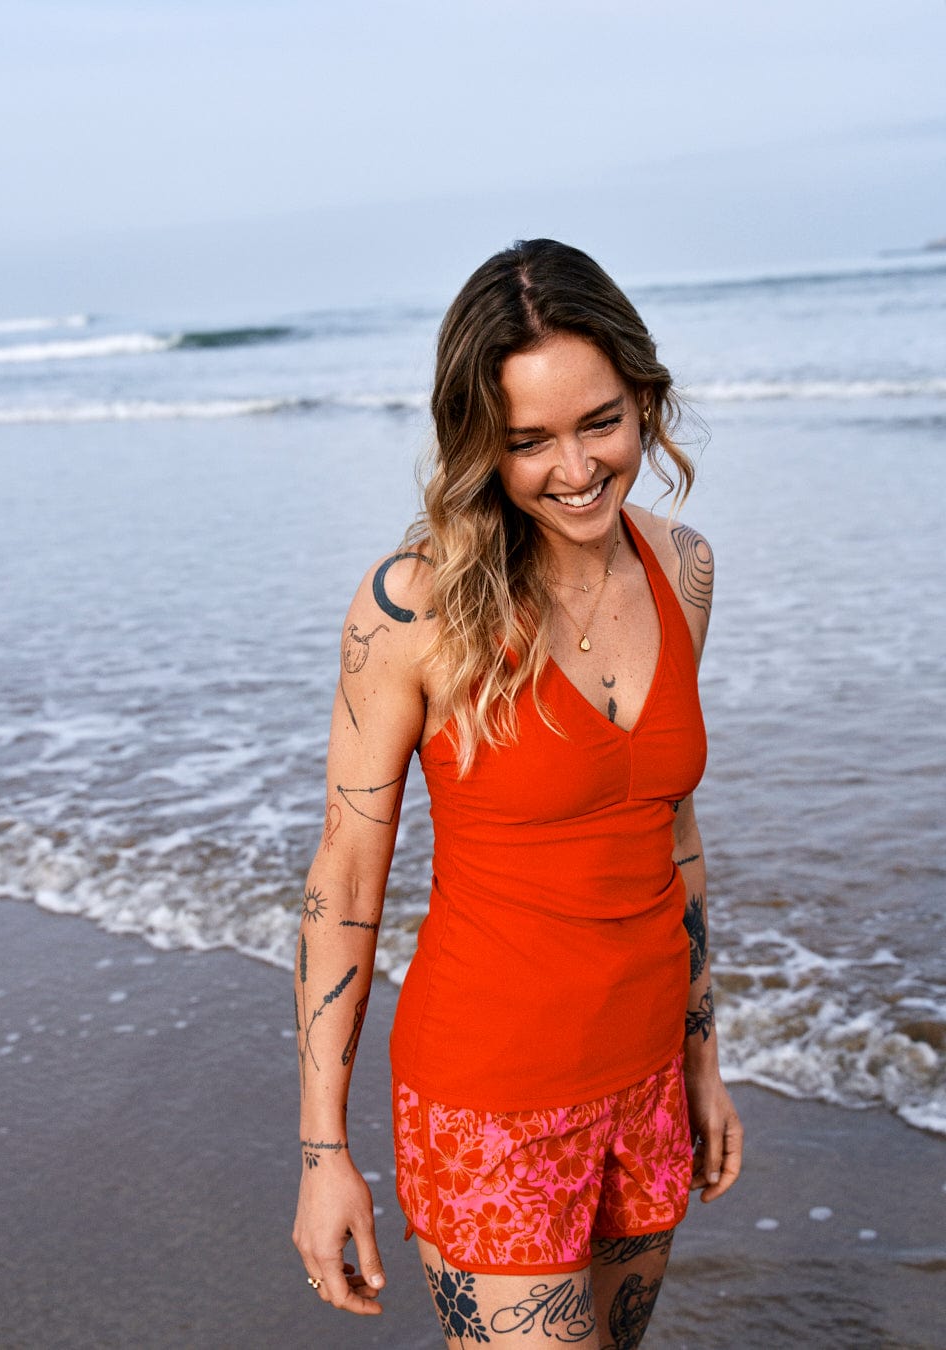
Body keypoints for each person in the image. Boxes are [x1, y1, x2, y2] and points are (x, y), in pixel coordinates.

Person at [292, 238, 743, 1347]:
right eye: (527, 442)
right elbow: (347, 876)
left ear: (645, 396)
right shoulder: (413, 611)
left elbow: (673, 835)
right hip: (488, 1097)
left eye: (600, 423)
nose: (576, 470)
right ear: (477, 445)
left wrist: (702, 1060)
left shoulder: (683, 570)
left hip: (644, 1077)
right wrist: (322, 1153)